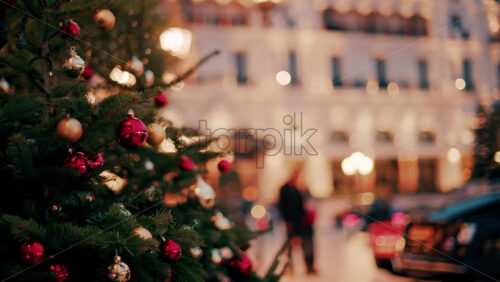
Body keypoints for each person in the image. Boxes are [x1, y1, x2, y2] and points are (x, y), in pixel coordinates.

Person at [278, 169, 316, 274]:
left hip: (305, 222)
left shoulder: (303, 189)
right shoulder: (285, 189)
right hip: (292, 221)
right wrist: (287, 221)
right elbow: (282, 206)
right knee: (290, 245)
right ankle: (290, 266)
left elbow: (308, 205)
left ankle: (309, 266)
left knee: (308, 244)